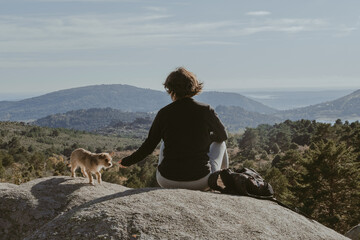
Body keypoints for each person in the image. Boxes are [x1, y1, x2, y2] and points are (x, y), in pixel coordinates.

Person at [118, 67, 229, 190]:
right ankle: (225, 182)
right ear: (194, 87)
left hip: (166, 180)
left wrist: (126, 161)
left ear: (170, 89)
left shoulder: (163, 113)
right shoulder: (205, 110)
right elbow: (223, 136)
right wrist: (207, 138)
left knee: (164, 143)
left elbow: (148, 146)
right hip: (201, 181)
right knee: (221, 143)